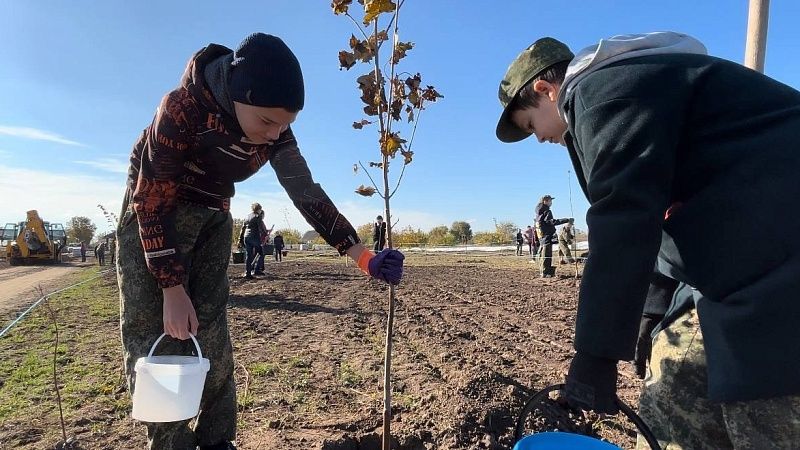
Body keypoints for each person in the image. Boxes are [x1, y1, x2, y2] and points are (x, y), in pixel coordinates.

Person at [495, 32, 800, 448]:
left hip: (776, 267)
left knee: (763, 404)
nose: (539, 138)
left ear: (546, 90)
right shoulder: (634, 90)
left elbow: (623, 216)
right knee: (672, 387)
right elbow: (656, 212)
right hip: (734, 266)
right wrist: (651, 311)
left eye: (530, 124)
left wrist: (594, 356)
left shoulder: (603, 91)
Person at [117, 32, 404, 450]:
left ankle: (218, 442)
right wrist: (171, 287)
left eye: (285, 124)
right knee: (156, 341)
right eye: (267, 121)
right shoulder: (182, 109)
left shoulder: (278, 133)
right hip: (156, 215)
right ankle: (170, 441)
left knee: (210, 332)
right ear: (235, 94)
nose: (274, 134)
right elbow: (153, 197)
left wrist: (363, 256)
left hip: (214, 213)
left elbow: (305, 192)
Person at [534, 195, 571, 277]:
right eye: (550, 201)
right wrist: (566, 220)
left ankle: (543, 271)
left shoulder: (538, 212)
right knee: (546, 254)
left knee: (542, 253)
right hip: (547, 235)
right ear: (545, 201)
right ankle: (546, 272)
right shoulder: (546, 211)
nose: (551, 203)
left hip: (541, 235)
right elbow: (550, 222)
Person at [237, 203, 266, 279]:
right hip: (254, 237)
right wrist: (265, 234)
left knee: (249, 255)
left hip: (246, 237)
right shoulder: (257, 216)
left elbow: (242, 228)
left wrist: (240, 239)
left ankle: (248, 273)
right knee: (261, 253)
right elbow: (260, 227)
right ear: (258, 209)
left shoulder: (247, 216)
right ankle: (257, 270)